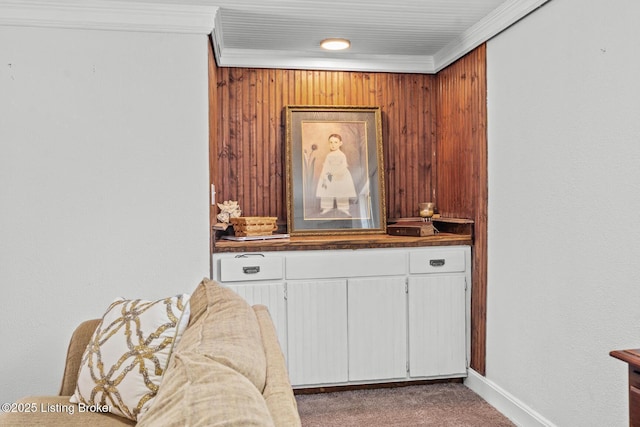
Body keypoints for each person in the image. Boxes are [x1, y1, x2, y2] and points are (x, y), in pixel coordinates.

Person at [316, 133, 357, 215]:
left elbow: (344, 165)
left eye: (335, 142)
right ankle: (326, 207)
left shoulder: (342, 155)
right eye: (331, 142)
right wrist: (324, 174)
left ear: (340, 143)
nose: (333, 145)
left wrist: (338, 173)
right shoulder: (329, 155)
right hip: (330, 175)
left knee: (342, 191)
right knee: (327, 190)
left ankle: (343, 207)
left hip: (340, 175)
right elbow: (326, 166)